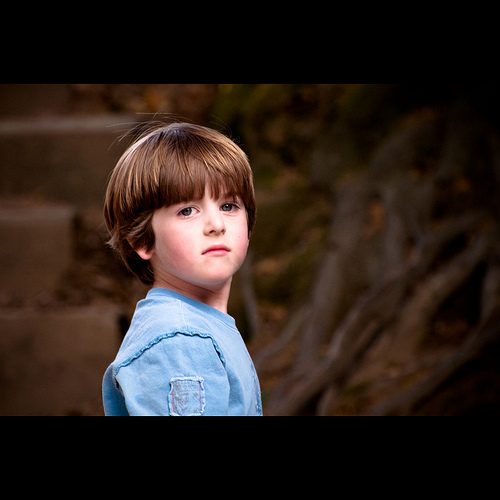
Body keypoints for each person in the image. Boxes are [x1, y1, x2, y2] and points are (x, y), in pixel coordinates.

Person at [102, 122, 262, 416]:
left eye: (228, 206)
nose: (216, 225)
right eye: (187, 211)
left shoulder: (198, 328)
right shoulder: (181, 341)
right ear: (142, 240)